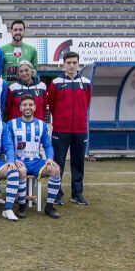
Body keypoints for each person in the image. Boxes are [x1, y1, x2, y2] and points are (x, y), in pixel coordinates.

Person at [48, 51, 91, 206]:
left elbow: (86, 104)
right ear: (64, 63)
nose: (72, 65)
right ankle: (56, 193)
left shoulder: (86, 82)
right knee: (58, 162)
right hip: (61, 129)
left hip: (80, 129)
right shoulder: (56, 83)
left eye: (74, 62)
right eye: (69, 62)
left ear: (78, 63)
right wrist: (61, 119)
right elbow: (52, 105)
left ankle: (77, 193)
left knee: (78, 162)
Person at [9, 95, 61, 219]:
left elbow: (48, 145)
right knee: (21, 172)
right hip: (20, 161)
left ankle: (49, 206)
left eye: (30, 105)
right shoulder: (11, 124)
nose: (28, 107)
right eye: (25, 105)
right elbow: (8, 145)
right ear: (20, 108)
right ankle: (22, 206)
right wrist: (12, 159)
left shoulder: (42, 125)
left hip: (37, 162)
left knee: (56, 170)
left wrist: (49, 158)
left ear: (35, 107)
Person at [1, 20, 38, 84]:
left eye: (20, 30)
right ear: (11, 31)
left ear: (24, 31)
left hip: (26, 90)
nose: (18, 32)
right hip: (8, 90)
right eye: (15, 30)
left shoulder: (32, 50)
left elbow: (34, 71)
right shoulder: (2, 50)